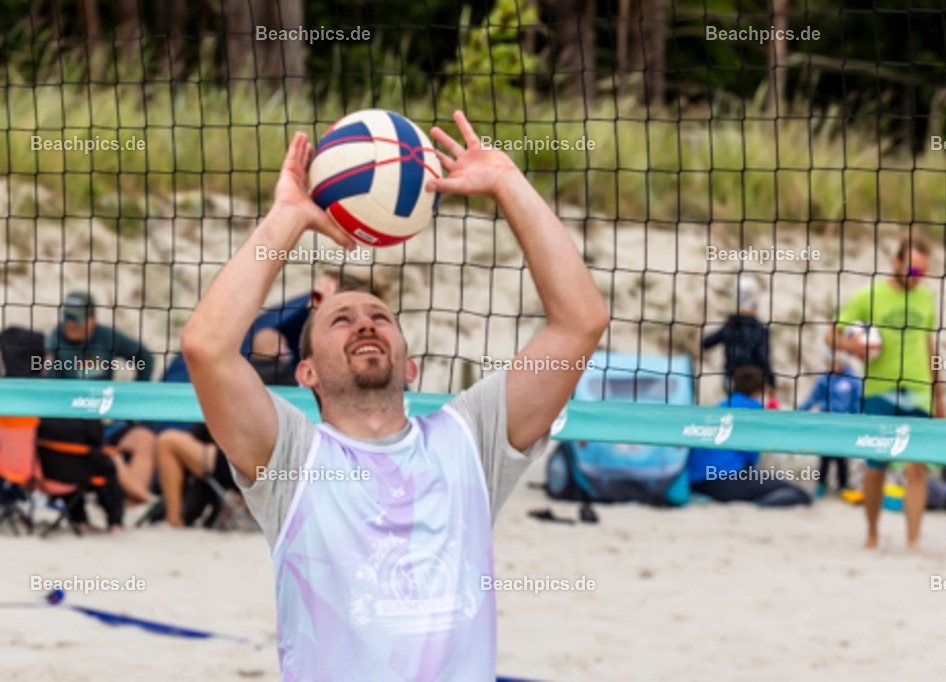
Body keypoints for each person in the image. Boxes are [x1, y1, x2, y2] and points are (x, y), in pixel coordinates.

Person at [181, 112, 610, 679]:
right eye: (339, 320)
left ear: (409, 366)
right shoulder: (291, 459)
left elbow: (580, 322)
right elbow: (208, 348)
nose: (364, 322)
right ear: (306, 373)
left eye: (380, 317)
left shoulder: (470, 439)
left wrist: (508, 183)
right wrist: (286, 218)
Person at [826, 234, 944, 550]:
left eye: (923, 272)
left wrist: (939, 392)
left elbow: (929, 344)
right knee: (876, 466)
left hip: (918, 390)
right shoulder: (870, 295)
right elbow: (831, 336)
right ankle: (872, 535)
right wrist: (851, 346)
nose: (918, 277)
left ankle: (913, 542)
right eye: (913, 270)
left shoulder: (925, 298)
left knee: (916, 468)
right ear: (896, 262)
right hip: (880, 390)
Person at [156, 328, 297, 527]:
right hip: (281, 469)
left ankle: (173, 518)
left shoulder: (240, 377)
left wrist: (197, 435)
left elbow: (210, 421)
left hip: (237, 466)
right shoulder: (295, 381)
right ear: (281, 351)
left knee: (167, 441)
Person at [46, 291, 158, 506]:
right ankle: (147, 500)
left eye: (77, 318)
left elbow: (145, 358)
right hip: (75, 428)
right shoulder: (54, 342)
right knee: (106, 453)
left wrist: (133, 398)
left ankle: (132, 508)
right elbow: (52, 395)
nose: (70, 323)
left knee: (145, 439)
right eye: (67, 316)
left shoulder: (106, 337)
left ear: (92, 320)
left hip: (104, 421)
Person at [688, 366, 811, 507]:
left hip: (696, 482)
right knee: (799, 495)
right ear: (759, 390)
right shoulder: (754, 409)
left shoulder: (722, 405)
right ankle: (756, 506)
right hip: (723, 480)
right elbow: (751, 455)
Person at [702, 274, 777, 406]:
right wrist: (771, 381)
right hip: (753, 382)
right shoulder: (759, 329)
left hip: (731, 378)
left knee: (732, 408)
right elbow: (763, 358)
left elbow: (707, 342)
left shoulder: (730, 326)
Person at [798, 349, 862, 496]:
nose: (831, 365)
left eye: (835, 362)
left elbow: (857, 402)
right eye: (828, 362)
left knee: (841, 456)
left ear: (843, 362)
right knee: (825, 455)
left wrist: (858, 420)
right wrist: (801, 410)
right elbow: (814, 397)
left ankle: (843, 484)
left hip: (844, 423)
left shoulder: (852, 379)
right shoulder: (824, 379)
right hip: (826, 422)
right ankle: (821, 483)